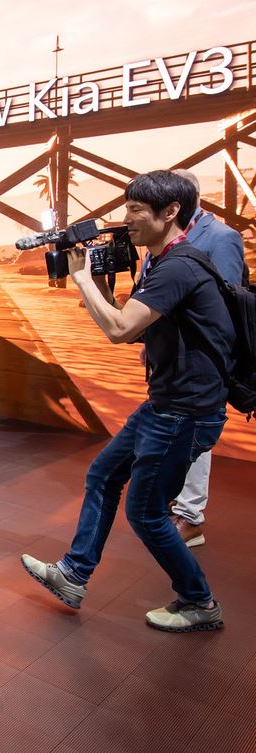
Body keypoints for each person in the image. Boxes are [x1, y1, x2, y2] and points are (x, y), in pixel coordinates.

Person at [21, 170, 235, 633]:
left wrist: (81, 279)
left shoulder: (179, 266)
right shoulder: (164, 261)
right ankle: (73, 575)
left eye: (137, 210)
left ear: (170, 212)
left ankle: (199, 602)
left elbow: (121, 329)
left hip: (184, 412)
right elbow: (134, 327)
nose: (127, 218)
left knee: (145, 511)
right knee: (102, 474)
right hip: (166, 403)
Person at [144, 169, 246, 549]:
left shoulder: (221, 237)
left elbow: (227, 301)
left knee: (194, 438)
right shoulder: (162, 239)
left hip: (202, 361)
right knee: (174, 433)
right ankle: (176, 503)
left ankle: (190, 515)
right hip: (166, 359)